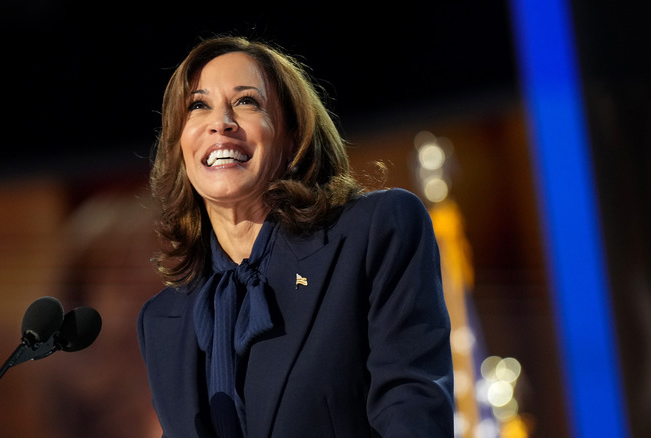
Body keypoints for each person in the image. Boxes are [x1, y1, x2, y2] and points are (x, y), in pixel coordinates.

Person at [137, 35, 454, 438]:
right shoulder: (163, 320)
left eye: (247, 102)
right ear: (179, 145)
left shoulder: (374, 232)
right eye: (198, 106)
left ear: (292, 135)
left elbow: (412, 410)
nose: (221, 122)